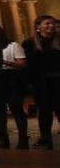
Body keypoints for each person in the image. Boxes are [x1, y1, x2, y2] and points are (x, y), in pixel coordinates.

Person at [23, 15, 60, 149]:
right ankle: (46, 139)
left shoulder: (58, 41)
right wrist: (29, 86)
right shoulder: (29, 43)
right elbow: (29, 66)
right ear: (38, 27)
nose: (51, 26)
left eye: (53, 23)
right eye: (47, 23)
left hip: (58, 82)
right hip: (41, 84)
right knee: (44, 112)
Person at [0, 28, 31, 149]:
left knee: (17, 109)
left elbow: (22, 64)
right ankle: (3, 139)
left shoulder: (12, 45)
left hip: (11, 78)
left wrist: (5, 62)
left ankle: (23, 138)